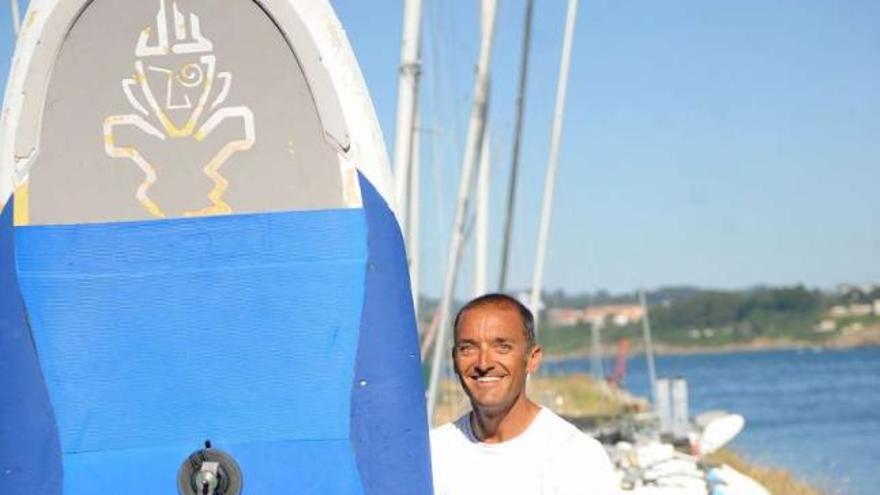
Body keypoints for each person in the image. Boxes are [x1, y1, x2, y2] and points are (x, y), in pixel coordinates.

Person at [430, 293, 619, 495]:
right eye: (468, 348)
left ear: (532, 359)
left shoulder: (576, 457)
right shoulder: (432, 454)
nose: (483, 363)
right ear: (454, 360)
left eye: (502, 347)